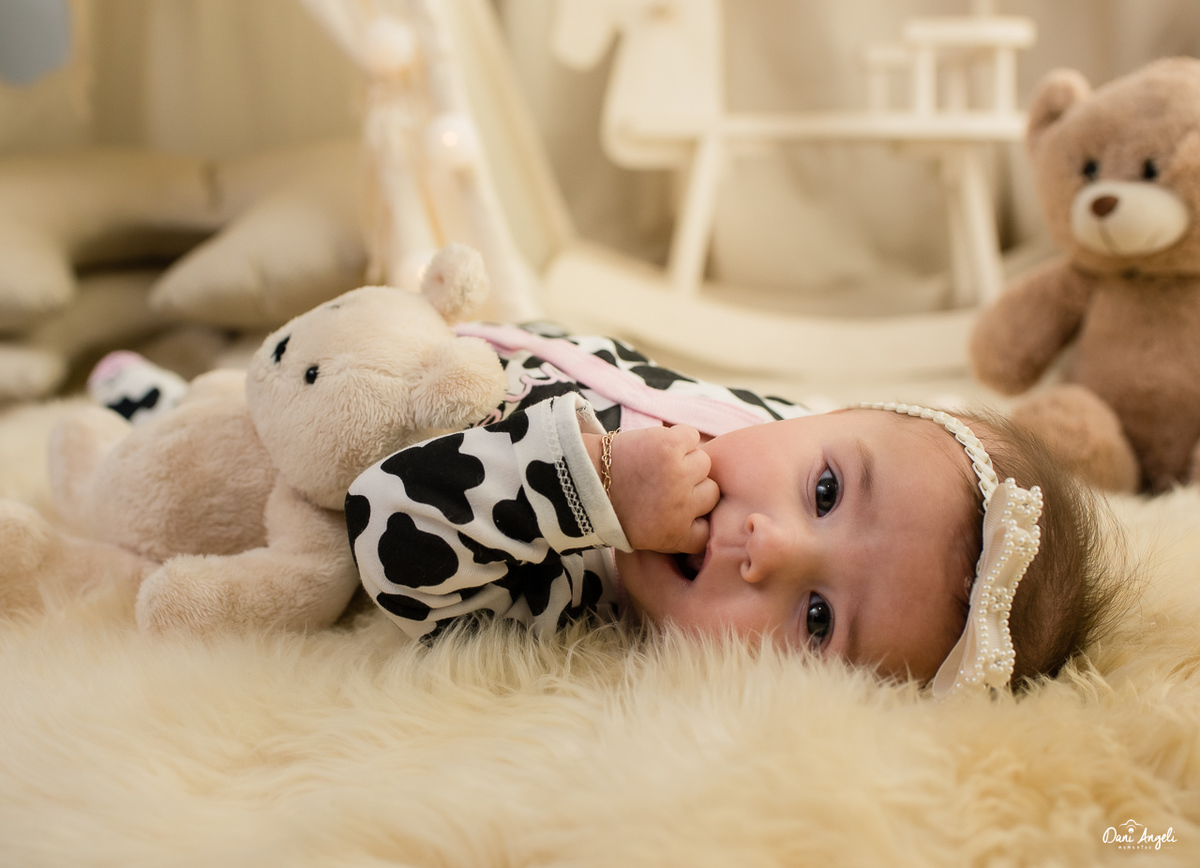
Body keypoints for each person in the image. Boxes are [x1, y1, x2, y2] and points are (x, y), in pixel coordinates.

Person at [347, 321, 1124, 698]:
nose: (770, 547)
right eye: (826, 493)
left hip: (348, 399)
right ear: (839, 413)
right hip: (442, 324)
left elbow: (388, 524)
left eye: (817, 620)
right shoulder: (777, 425)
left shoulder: (572, 600)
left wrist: (596, 486)